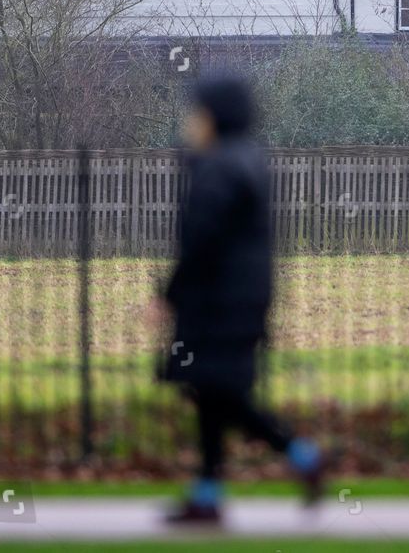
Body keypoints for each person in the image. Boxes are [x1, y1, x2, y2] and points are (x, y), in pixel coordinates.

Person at [156, 72, 323, 525]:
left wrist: (169, 292)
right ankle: (208, 495)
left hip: (218, 302)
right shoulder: (246, 158)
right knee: (211, 392)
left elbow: (201, 239)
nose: (191, 121)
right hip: (241, 298)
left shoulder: (220, 166)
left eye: (197, 112)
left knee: (219, 392)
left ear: (214, 116)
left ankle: (302, 455)